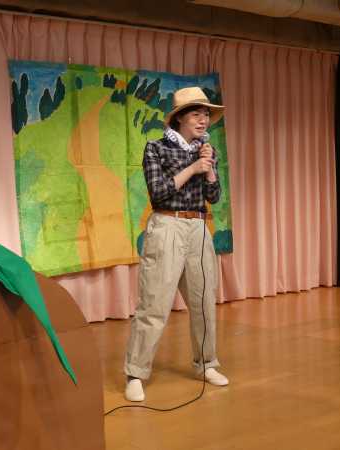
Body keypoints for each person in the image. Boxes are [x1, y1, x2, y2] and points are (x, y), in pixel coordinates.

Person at [123, 86, 229, 402]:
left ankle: (207, 364)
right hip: (166, 225)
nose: (203, 120)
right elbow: (158, 193)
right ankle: (135, 373)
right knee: (154, 304)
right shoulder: (155, 148)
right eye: (197, 114)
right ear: (180, 118)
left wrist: (209, 170)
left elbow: (214, 197)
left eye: (206, 114)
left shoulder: (207, 151)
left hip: (198, 228)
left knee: (203, 303)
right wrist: (193, 168)